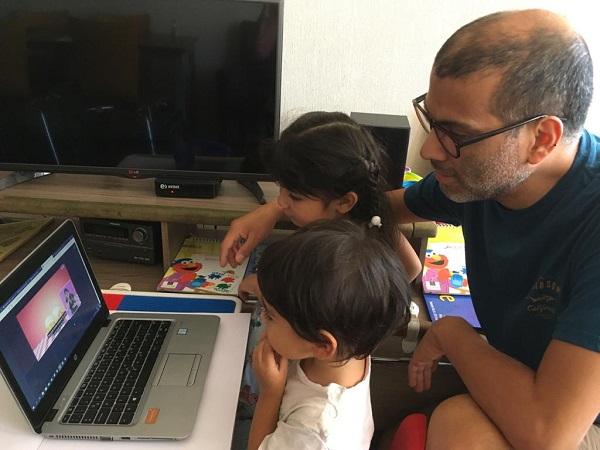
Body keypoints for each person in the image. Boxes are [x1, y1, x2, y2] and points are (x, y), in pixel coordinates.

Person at [221, 8, 600, 449]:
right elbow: (374, 208)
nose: (428, 148)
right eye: (431, 120)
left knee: (458, 425)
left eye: (454, 134)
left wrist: (452, 333)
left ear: (542, 139)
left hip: (572, 417)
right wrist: (276, 209)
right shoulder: (483, 177)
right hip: (515, 372)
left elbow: (548, 435)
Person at [246, 219, 411, 450]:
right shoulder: (352, 342)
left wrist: (270, 394)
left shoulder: (313, 430)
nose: (263, 318)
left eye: (270, 315)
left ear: (323, 344)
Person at [221, 110, 422, 282]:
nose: (281, 202)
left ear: (344, 202)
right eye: (280, 187)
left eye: (295, 197)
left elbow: (411, 269)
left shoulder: (343, 259)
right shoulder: (367, 221)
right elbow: (412, 267)